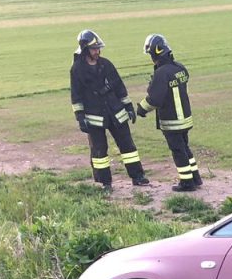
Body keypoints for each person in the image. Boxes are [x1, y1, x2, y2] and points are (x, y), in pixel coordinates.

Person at [69, 29, 149, 192]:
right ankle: (104, 182)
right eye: (94, 49)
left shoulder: (106, 64)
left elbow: (119, 86)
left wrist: (128, 107)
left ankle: (137, 176)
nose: (97, 52)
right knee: (99, 151)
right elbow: (76, 95)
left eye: (98, 48)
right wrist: (80, 117)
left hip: (115, 112)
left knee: (128, 146)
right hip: (94, 117)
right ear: (85, 49)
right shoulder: (77, 69)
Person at [135, 34, 201, 192]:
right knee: (185, 148)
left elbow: (155, 99)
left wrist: (141, 109)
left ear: (154, 54)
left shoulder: (161, 74)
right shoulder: (180, 68)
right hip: (185, 118)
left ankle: (187, 183)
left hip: (172, 121)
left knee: (178, 151)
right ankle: (196, 178)